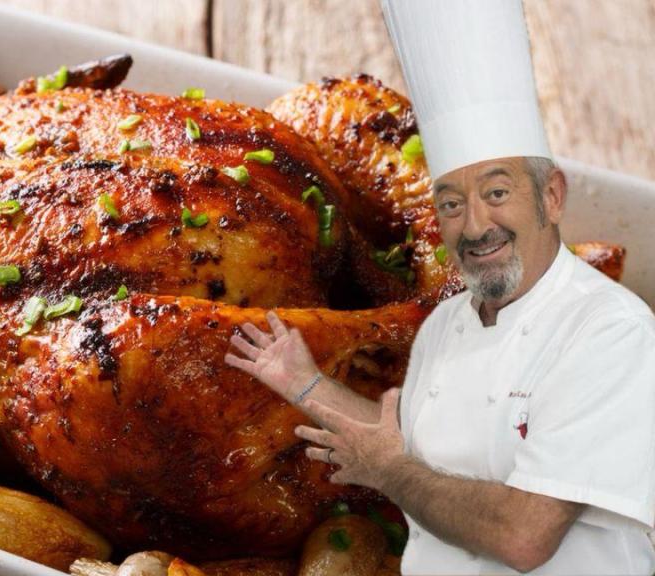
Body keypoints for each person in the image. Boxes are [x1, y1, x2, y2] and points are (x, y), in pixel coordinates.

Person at [224, 1, 655, 574]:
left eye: (498, 194)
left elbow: (524, 536)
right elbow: (400, 436)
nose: (475, 226)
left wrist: (389, 471)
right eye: (451, 203)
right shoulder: (445, 325)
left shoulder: (609, 334)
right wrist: (304, 384)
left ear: (553, 195)